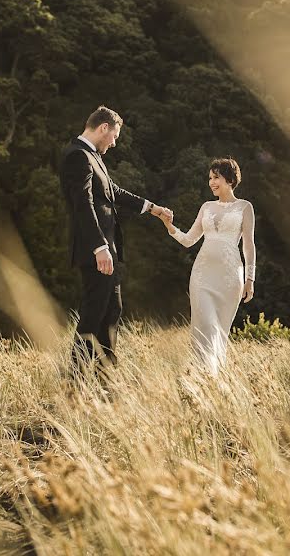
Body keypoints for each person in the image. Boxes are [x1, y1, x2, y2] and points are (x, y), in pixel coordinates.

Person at [60, 105, 171, 383]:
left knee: (112, 310)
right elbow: (82, 205)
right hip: (95, 251)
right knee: (94, 313)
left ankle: (105, 376)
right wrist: (100, 247)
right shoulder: (78, 156)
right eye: (114, 136)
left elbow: (114, 192)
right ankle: (74, 380)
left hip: (107, 249)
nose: (115, 142)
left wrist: (153, 208)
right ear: (103, 128)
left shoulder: (92, 156)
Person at [156, 158, 256, 375]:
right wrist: (169, 225)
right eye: (210, 178)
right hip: (202, 277)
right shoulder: (206, 207)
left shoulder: (245, 207)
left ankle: (214, 381)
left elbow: (249, 245)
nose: (211, 182)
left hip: (231, 278)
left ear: (229, 179)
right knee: (205, 327)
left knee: (220, 331)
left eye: (216, 177)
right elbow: (189, 240)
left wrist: (250, 279)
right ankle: (200, 377)